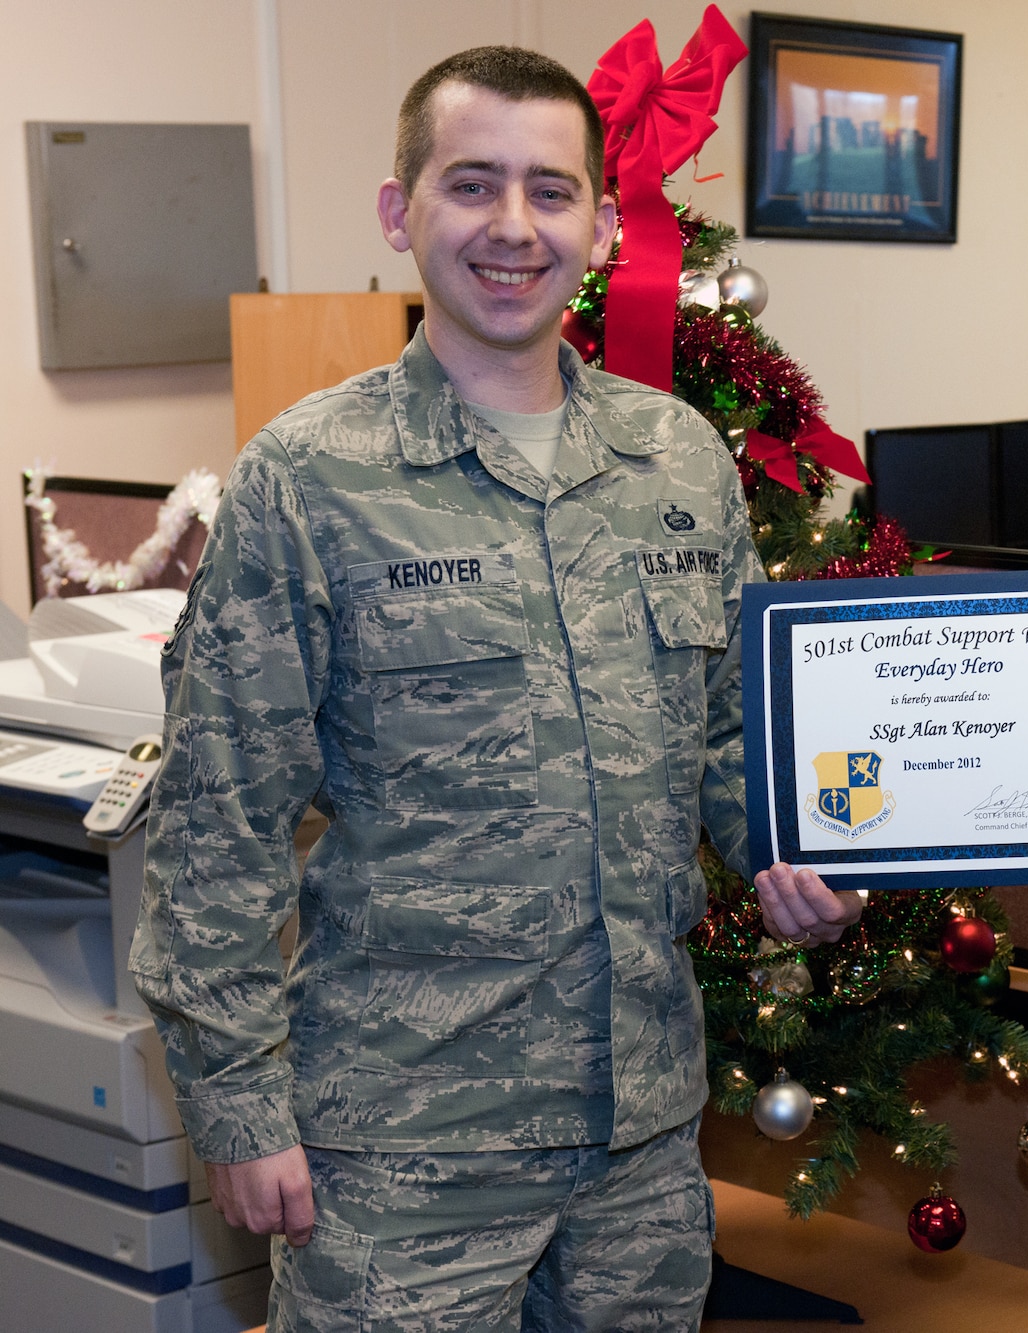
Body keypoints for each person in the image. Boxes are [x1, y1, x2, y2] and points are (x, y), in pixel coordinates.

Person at [129, 45, 854, 1331]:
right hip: (403, 1146)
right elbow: (215, 819)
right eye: (472, 186)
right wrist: (237, 1107)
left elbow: (737, 737)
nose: (514, 228)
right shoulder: (310, 477)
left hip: (637, 1137)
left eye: (550, 189)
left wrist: (804, 855)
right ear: (399, 211)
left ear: (602, 221)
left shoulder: (674, 457)